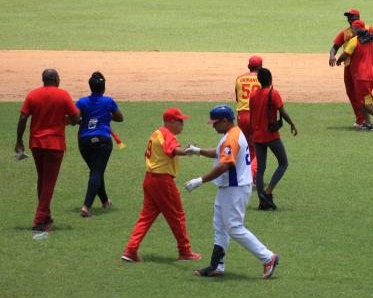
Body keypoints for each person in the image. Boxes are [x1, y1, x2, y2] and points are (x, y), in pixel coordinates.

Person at [183, 105, 280, 279]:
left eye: (215, 123)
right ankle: (216, 265)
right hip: (230, 187)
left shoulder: (231, 138)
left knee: (234, 227)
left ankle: (268, 257)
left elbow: (225, 164)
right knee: (219, 225)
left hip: (236, 188)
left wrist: (200, 180)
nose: (213, 126)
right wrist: (198, 150)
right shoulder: (232, 133)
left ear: (225, 121)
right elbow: (220, 152)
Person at [121, 107, 201, 262]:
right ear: (171, 122)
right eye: (180, 121)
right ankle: (185, 251)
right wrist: (190, 151)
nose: (182, 125)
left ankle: (131, 250)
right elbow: (174, 150)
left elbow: (162, 152)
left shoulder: (156, 133)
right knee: (177, 216)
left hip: (150, 180)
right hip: (162, 182)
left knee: (146, 217)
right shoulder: (167, 134)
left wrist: (184, 149)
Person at [16, 69, 80, 232]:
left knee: (43, 180)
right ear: (56, 80)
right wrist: (69, 120)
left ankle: (46, 216)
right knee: (49, 183)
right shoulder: (63, 95)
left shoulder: (33, 95)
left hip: (36, 144)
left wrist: (19, 141)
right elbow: (75, 118)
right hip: (54, 145)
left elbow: (23, 117)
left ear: (43, 80)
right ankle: (39, 222)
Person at [76, 71, 124, 218]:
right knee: (96, 172)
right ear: (104, 88)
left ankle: (104, 201)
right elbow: (120, 118)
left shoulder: (82, 102)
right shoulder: (108, 101)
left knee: (96, 171)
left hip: (84, 141)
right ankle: (86, 207)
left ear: (90, 87)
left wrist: (85, 119)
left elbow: (74, 119)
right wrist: (106, 116)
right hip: (102, 140)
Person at [249, 67, 298, 210]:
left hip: (257, 135)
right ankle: (268, 191)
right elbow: (283, 111)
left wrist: (252, 134)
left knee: (261, 169)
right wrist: (292, 124)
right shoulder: (273, 93)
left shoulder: (253, 95)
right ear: (270, 79)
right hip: (270, 135)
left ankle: (262, 199)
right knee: (283, 163)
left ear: (259, 81)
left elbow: (252, 117)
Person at [329, 9, 373, 130]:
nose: (349, 19)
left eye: (352, 17)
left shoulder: (368, 29)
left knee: (361, 96)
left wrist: (371, 35)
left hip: (361, 69)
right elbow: (335, 47)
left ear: (358, 17)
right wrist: (332, 56)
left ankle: (372, 120)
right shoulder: (345, 32)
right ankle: (364, 121)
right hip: (349, 67)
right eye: (348, 17)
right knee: (352, 94)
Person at [235, 56, 262, 178]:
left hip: (242, 115)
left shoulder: (239, 79)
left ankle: (245, 172)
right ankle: (251, 175)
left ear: (248, 66)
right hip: (256, 116)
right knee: (259, 147)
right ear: (261, 67)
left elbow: (237, 98)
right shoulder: (263, 79)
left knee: (246, 146)